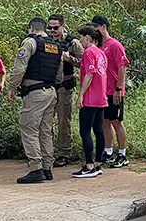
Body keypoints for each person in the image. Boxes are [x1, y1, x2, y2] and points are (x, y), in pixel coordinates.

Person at [8, 17, 62, 184]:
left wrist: (12, 86)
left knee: (29, 128)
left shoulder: (30, 42)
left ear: (31, 28)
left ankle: (35, 168)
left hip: (34, 92)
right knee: (46, 131)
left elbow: (20, 68)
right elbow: (59, 74)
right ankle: (47, 168)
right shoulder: (56, 45)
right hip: (51, 92)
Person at [91, 16, 130, 167]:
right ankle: (108, 151)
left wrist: (119, 88)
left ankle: (122, 154)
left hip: (114, 90)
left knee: (116, 122)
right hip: (102, 91)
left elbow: (122, 67)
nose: (95, 30)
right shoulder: (98, 46)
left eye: (96, 27)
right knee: (104, 121)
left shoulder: (115, 45)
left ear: (103, 27)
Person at [47, 14, 83, 167]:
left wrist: (70, 59)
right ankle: (47, 152)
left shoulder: (72, 43)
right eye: (50, 28)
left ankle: (64, 152)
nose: (53, 30)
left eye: (56, 27)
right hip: (49, 86)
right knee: (46, 121)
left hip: (65, 86)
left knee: (63, 121)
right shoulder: (47, 42)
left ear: (63, 26)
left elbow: (85, 63)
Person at [74, 25, 108, 179]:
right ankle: (98, 163)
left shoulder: (88, 52)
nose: (80, 41)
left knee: (85, 131)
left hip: (90, 97)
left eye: (81, 37)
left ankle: (89, 165)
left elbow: (89, 75)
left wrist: (81, 95)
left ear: (87, 37)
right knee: (99, 131)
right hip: (101, 97)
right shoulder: (101, 53)